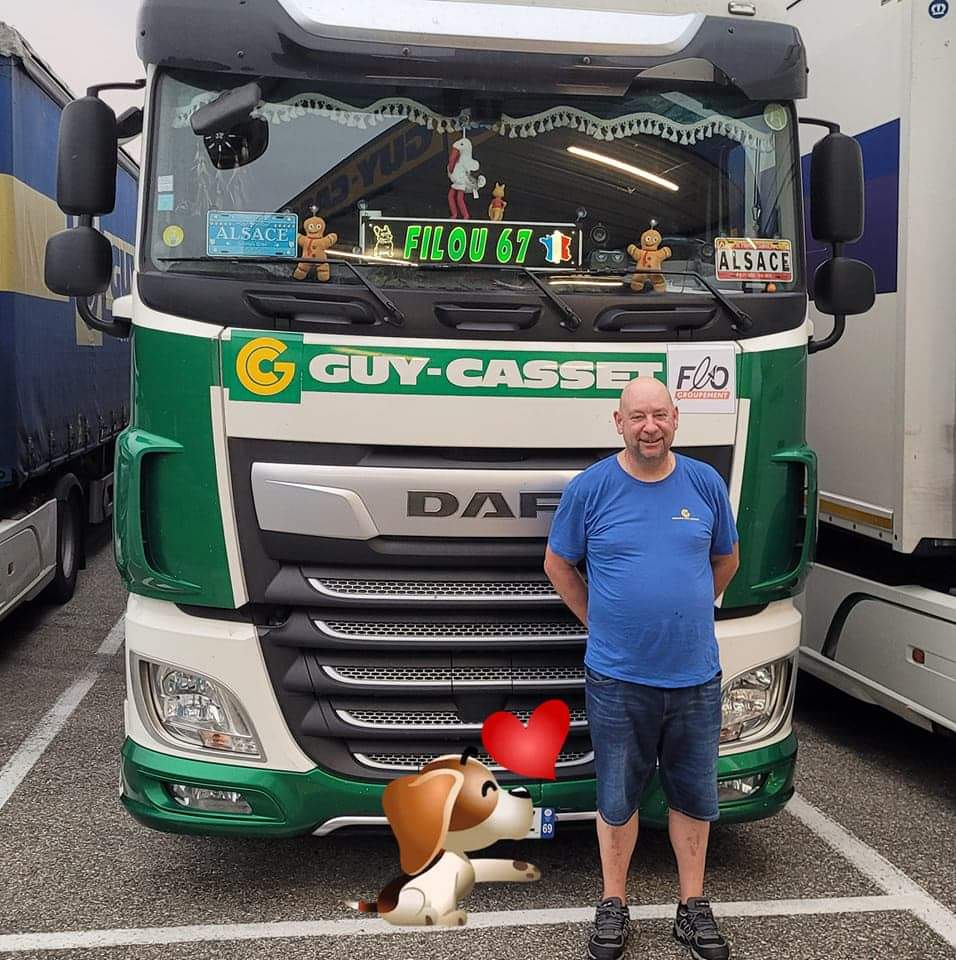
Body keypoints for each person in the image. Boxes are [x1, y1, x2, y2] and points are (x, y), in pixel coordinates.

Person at [544, 377, 740, 960]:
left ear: (675, 419)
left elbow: (725, 559)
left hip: (695, 676)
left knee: (693, 797)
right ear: (619, 423)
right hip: (618, 678)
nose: (649, 427)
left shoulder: (704, 483)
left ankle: (692, 907)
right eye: (637, 417)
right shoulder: (591, 488)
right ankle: (613, 904)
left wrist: (688, 609)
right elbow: (558, 565)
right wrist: (599, 621)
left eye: (659, 415)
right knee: (617, 796)